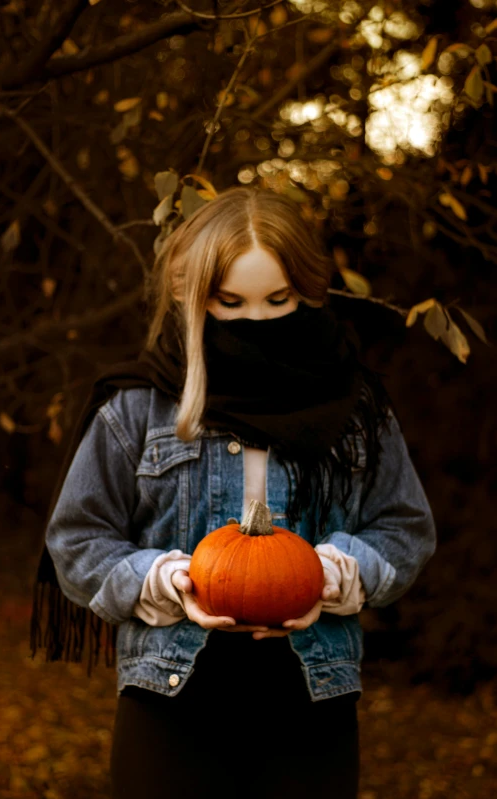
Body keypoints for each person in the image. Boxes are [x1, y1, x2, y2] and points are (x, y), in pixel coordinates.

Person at [30, 186, 437, 799]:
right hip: (171, 698)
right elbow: (77, 540)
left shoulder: (355, 409)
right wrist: (165, 581)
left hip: (311, 697)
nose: (259, 320)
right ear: (190, 297)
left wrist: (333, 575)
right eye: (231, 301)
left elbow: (405, 529)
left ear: (307, 291)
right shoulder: (139, 406)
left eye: (279, 299)